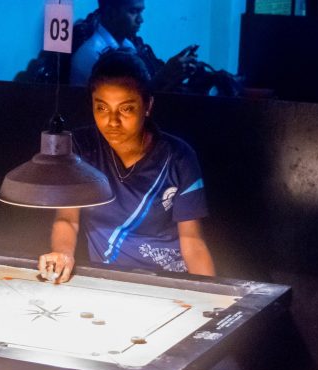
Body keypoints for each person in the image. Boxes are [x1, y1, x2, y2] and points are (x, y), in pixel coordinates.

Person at [40, 50, 215, 282]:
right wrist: (62, 254)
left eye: (126, 108)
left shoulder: (179, 157)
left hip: (169, 281)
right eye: (102, 108)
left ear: (148, 105)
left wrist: (209, 294)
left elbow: (192, 242)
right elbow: (67, 219)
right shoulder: (81, 149)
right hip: (110, 280)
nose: (112, 121)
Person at [70, 0, 199, 90]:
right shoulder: (93, 54)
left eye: (140, 12)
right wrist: (163, 76)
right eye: (133, 11)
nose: (140, 20)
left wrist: (175, 76)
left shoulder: (131, 47)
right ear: (110, 12)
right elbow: (125, 102)